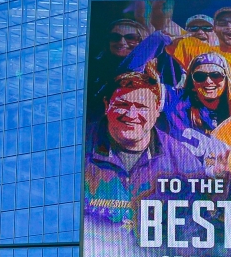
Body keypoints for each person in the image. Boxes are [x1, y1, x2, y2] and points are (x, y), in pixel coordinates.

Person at [84, 73, 208, 220]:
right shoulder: (76, 150)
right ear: (107, 105)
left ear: (157, 110)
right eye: (122, 105)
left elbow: (197, 221)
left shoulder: (183, 162)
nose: (131, 115)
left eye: (142, 107)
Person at [163, 53, 231, 138]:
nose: (208, 81)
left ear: (226, 79)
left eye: (215, 75)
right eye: (200, 76)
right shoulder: (177, 99)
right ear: (192, 81)